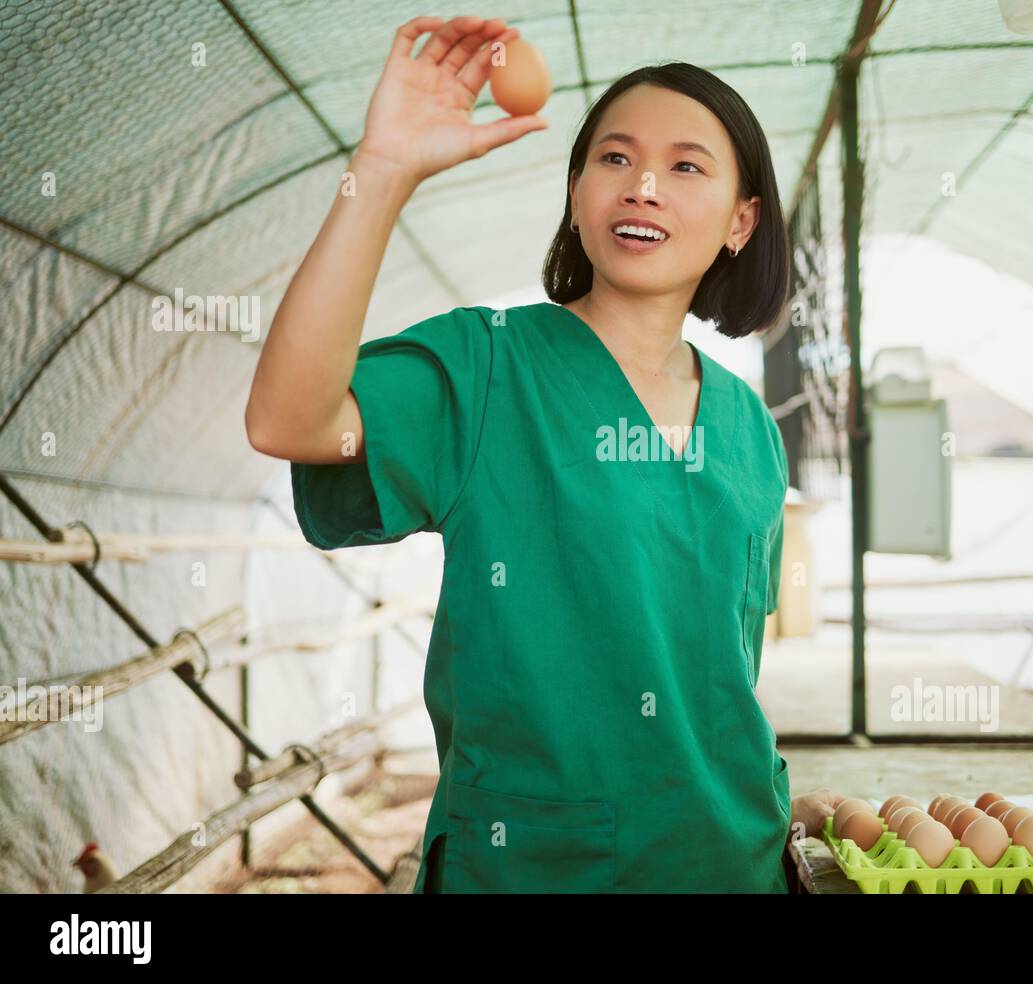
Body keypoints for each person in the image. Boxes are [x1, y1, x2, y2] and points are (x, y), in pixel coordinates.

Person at [245, 14, 844, 893]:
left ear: (740, 221)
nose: (643, 184)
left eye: (686, 166)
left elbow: (718, 676)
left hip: (727, 858)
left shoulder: (748, 427)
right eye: (614, 158)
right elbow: (290, 421)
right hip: (529, 864)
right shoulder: (488, 367)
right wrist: (381, 174)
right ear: (577, 193)